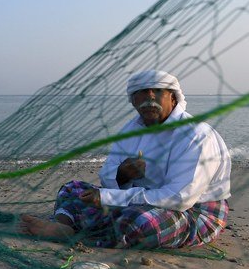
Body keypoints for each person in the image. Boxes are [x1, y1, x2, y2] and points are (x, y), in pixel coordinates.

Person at [19, 70, 231, 248]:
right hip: (137, 200)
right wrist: (122, 174)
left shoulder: (196, 135)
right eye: (141, 93)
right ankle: (63, 225)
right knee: (71, 189)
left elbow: (179, 198)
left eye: (157, 91)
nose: (150, 97)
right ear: (133, 101)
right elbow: (106, 177)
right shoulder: (131, 130)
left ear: (173, 98)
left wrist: (110, 198)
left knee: (141, 221)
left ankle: (81, 234)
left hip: (194, 211)